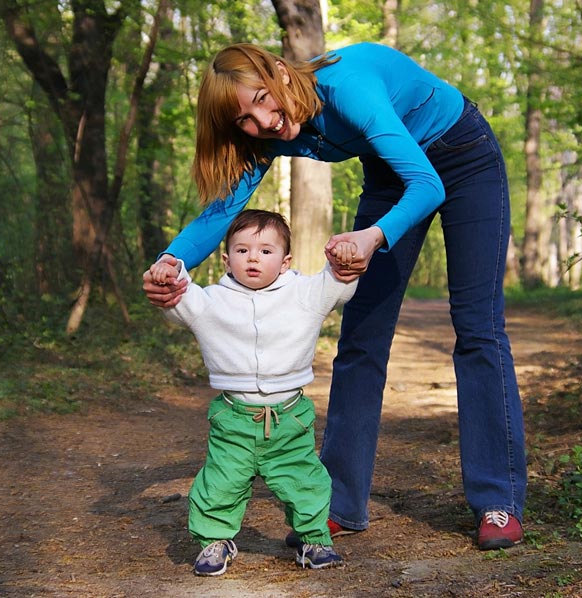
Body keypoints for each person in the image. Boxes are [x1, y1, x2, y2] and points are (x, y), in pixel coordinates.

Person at [142, 41, 527, 551]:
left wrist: (373, 236)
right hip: (391, 173)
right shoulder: (265, 136)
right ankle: (339, 502)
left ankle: (497, 500)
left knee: (478, 326)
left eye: (263, 97)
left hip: (462, 158)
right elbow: (218, 213)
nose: (265, 121)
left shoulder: (347, 89)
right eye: (245, 120)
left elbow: (429, 184)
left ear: (280, 70)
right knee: (361, 334)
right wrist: (172, 263)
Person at [148, 209, 357, 575]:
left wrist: (342, 263)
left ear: (285, 260)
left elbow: (335, 285)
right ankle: (214, 539)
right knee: (220, 482)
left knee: (305, 480)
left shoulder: (303, 293)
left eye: (265, 251)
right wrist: (170, 273)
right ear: (227, 260)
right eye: (242, 251)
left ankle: (313, 540)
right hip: (234, 419)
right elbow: (180, 301)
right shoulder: (213, 300)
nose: (253, 258)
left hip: (289, 417)